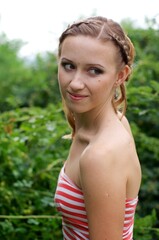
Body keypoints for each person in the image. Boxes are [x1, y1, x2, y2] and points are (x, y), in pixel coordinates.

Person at [54, 16, 141, 240]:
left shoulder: (99, 155)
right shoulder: (118, 121)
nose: (75, 82)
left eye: (94, 71)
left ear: (120, 76)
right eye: (68, 66)